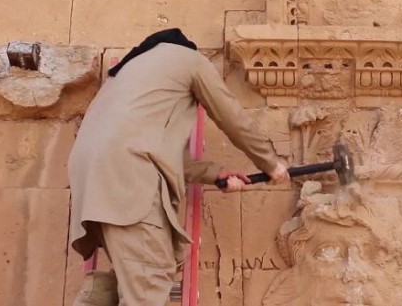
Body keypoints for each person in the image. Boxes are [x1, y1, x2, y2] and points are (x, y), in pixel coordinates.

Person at [69, 28, 289, 306]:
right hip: (129, 181)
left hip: (98, 184)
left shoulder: (130, 73)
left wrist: (214, 173)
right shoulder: (189, 59)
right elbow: (231, 116)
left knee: (131, 278)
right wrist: (271, 163)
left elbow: (150, 145)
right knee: (150, 282)